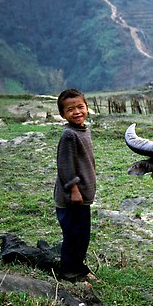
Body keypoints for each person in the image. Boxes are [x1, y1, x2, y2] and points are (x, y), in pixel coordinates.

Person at [53, 88, 98, 283]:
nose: (77, 112)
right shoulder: (69, 135)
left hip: (82, 197)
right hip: (72, 197)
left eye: (80, 106)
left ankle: (79, 267)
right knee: (72, 236)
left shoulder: (83, 130)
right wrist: (73, 189)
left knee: (82, 236)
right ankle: (69, 272)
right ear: (63, 114)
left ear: (87, 107)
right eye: (70, 109)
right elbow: (65, 166)